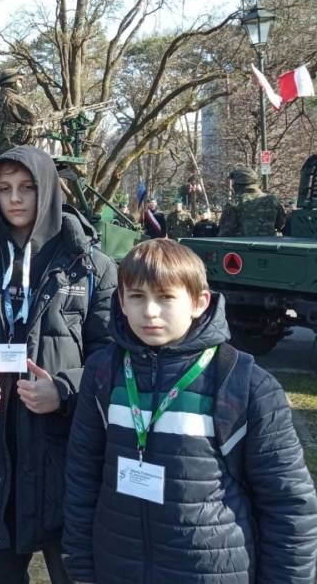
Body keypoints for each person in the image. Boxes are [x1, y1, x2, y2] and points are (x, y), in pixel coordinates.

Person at [63, 239, 317, 583]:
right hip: (117, 567)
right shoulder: (102, 373)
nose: (150, 311)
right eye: (136, 296)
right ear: (120, 301)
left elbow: (288, 505)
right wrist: (81, 570)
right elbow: (82, 478)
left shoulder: (245, 384)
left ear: (199, 302)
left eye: (166, 297)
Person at [0, 146, 117, 584]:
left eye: (27, 188)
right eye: (5, 188)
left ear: (46, 189)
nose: (14, 198)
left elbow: (112, 356)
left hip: (62, 455)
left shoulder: (90, 267)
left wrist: (64, 390)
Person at [218, 166, 286, 236]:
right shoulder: (272, 200)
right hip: (268, 242)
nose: (233, 185)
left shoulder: (235, 202)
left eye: (234, 182)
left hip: (242, 242)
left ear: (238, 184)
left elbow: (225, 232)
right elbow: (281, 224)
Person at [0, 69, 38, 154]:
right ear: (13, 82)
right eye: (19, 81)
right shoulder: (14, 99)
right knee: (30, 127)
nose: (21, 84)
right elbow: (33, 119)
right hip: (12, 146)